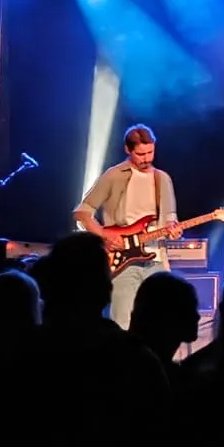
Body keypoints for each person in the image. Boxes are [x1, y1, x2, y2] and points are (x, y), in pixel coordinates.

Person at [74, 123, 180, 328]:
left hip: (156, 259)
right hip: (123, 261)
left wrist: (173, 230)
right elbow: (82, 212)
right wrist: (104, 235)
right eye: (141, 154)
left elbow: (170, 218)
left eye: (150, 152)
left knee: (160, 323)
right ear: (128, 150)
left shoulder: (162, 179)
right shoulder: (114, 175)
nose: (147, 159)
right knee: (122, 323)